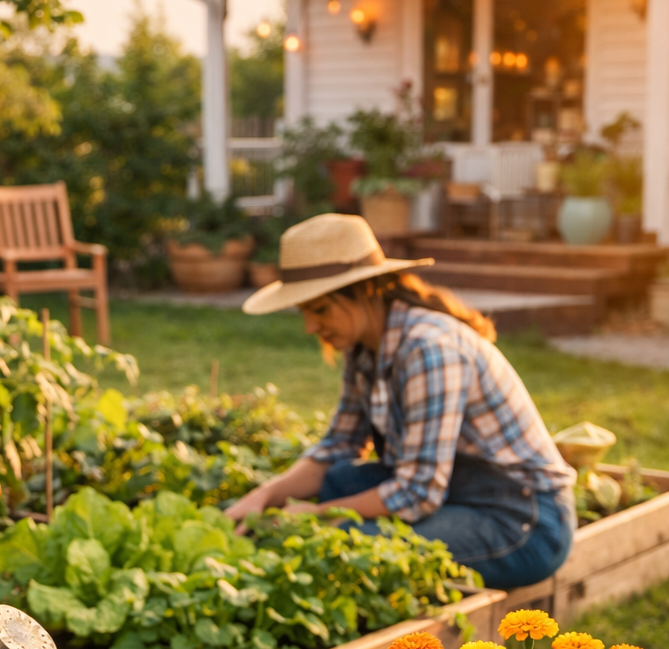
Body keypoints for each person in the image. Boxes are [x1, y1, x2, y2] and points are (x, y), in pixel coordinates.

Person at [225, 213, 576, 591]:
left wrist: (317, 517)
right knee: (338, 480)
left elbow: (418, 493)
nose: (311, 327)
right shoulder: (364, 349)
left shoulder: (428, 349)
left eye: (320, 309)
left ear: (364, 290)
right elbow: (337, 447)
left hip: (522, 521)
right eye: (304, 311)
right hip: (456, 491)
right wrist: (265, 495)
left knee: (350, 545)